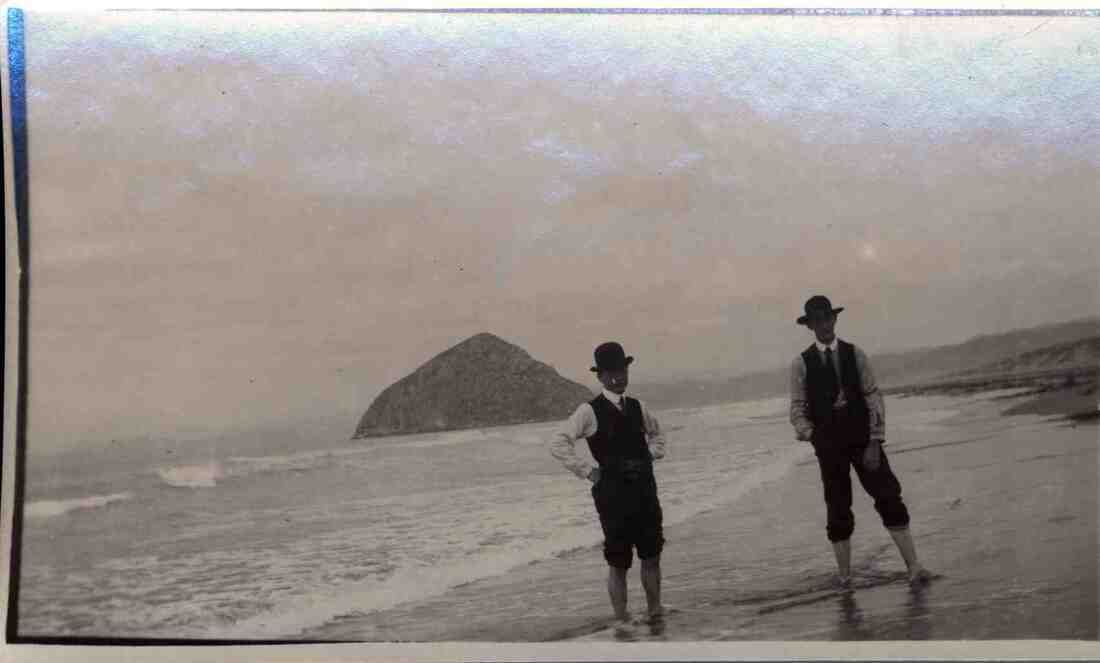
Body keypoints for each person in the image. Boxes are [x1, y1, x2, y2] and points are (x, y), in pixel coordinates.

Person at [789, 295, 932, 588]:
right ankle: (844, 578)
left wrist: (874, 442)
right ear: (811, 326)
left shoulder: (856, 354)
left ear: (835, 319)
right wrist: (814, 437)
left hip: (863, 440)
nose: (825, 324)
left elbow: (873, 397)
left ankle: (914, 566)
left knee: (889, 497)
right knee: (838, 509)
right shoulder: (800, 364)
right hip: (829, 449)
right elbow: (797, 409)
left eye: (828, 318)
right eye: (818, 320)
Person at [549, 341, 667, 636]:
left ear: (627, 370)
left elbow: (659, 437)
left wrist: (649, 455)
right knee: (619, 561)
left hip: (644, 491)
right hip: (612, 496)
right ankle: (622, 620)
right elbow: (558, 443)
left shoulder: (639, 407)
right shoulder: (588, 411)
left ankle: (655, 613)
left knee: (651, 555)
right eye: (610, 372)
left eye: (621, 370)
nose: (617, 377)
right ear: (600, 377)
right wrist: (589, 472)